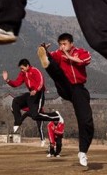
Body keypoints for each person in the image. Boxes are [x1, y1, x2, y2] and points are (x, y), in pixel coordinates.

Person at [37, 33, 93, 166]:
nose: (62, 46)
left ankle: (83, 152)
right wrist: (45, 51)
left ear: (71, 43)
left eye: (65, 44)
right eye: (60, 44)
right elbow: (54, 58)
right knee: (57, 71)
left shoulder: (81, 52)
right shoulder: (58, 53)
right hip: (65, 87)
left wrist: (67, 56)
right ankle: (46, 64)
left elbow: (83, 61)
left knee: (86, 121)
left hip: (79, 90)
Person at [3, 59, 62, 133]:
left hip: (39, 94)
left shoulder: (35, 71)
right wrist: (7, 80)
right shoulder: (23, 73)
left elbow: (41, 81)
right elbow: (16, 83)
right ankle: (17, 122)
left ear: (27, 66)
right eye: (20, 68)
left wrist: (36, 90)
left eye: (22, 68)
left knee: (35, 116)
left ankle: (55, 116)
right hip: (31, 94)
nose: (21, 70)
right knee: (15, 101)